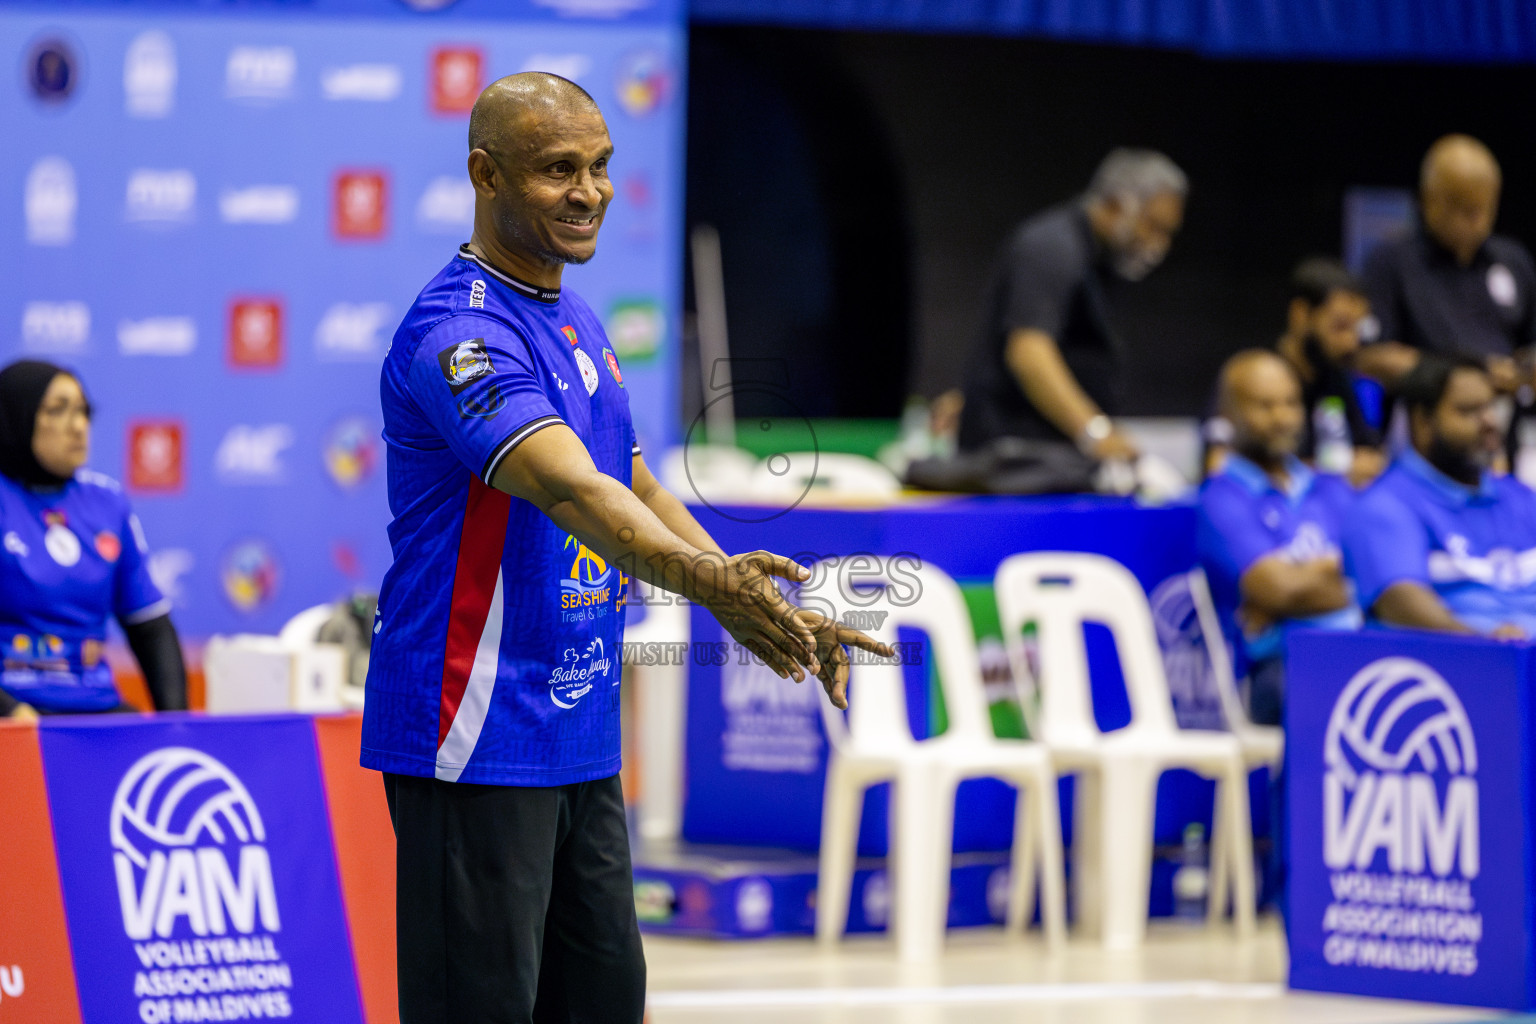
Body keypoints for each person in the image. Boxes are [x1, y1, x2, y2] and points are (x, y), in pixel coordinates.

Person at [362, 73, 890, 1024]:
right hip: (475, 732)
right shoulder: (459, 332)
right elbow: (573, 489)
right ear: (485, 174)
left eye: (601, 166)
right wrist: (715, 590)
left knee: (606, 999)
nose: (590, 191)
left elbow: (635, 479)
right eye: (559, 169)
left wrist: (738, 585)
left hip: (578, 733)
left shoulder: (576, 319)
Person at [958, 148, 1187, 460]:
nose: (1159, 244)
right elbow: (1029, 351)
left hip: (1041, 454)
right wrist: (1095, 432)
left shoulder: (1095, 259)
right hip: (1014, 459)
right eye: (1153, 225)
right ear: (1117, 204)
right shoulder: (1053, 247)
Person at [0, 359, 187, 718]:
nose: (79, 426)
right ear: (16, 417)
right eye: (57, 410)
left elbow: (150, 628)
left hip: (91, 705)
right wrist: (10, 710)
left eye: (84, 412)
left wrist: (176, 726)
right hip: (14, 709)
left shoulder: (107, 503)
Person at [1197, 350, 1361, 729]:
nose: (1283, 418)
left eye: (1291, 403)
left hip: (1355, 647)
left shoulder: (1329, 487)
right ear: (1230, 413)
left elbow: (1390, 573)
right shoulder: (1221, 498)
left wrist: (1308, 580)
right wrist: (1350, 575)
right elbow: (1278, 590)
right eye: (1265, 406)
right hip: (1275, 668)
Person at [1344, 354, 1536, 638]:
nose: (1489, 422)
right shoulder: (1384, 505)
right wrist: (1492, 648)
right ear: (1423, 422)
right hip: (1458, 670)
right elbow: (1401, 603)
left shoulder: (1518, 496)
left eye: (1491, 407)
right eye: (1469, 411)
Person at [1358, 135, 1536, 399]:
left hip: (1511, 419)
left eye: (1483, 207)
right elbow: (1371, 356)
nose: (1476, 220)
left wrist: (1523, 370)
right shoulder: (1391, 261)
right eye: (1463, 208)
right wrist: (1472, 373)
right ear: (1428, 198)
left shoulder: (1513, 260)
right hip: (1429, 416)